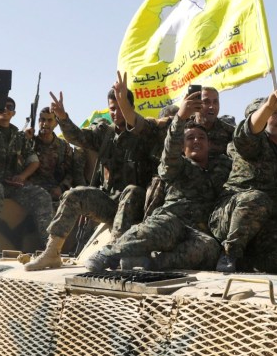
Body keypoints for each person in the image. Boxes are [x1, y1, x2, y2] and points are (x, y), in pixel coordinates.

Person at [24, 72, 164, 271]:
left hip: (138, 206)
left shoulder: (144, 132)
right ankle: (52, 252)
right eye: (112, 109)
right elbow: (78, 137)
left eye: (120, 107)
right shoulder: (105, 134)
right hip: (111, 204)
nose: (115, 113)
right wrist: (63, 118)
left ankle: (113, 253)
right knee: (75, 194)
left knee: (131, 190)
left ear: (129, 107)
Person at [84, 93, 232, 271]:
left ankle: (149, 263)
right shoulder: (176, 165)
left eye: (201, 138)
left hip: (197, 231)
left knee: (210, 248)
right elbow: (170, 152)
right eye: (190, 138)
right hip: (172, 221)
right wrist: (180, 118)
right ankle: (108, 254)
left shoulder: (222, 167)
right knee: (157, 229)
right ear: (183, 147)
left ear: (209, 145)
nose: (196, 141)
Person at [209, 75, 277, 274]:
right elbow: (248, 132)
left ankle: (245, 262)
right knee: (258, 198)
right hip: (230, 216)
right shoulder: (253, 144)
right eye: (274, 113)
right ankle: (229, 253)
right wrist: (267, 107)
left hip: (264, 222)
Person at [0, 82, 53, 251]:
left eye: (9, 107)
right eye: (1, 106)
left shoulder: (19, 137)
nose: (5, 109)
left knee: (41, 195)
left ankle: (48, 243)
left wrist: (22, 177)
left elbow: (34, 161)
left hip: (13, 186)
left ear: (13, 113)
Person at [28, 106, 83, 201]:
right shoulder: (29, 143)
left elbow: (71, 172)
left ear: (56, 123)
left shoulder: (64, 146)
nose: (45, 124)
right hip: (32, 192)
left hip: (56, 193)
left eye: (50, 120)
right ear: (38, 121)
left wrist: (61, 188)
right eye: (42, 120)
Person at [192, 86, 236, 158]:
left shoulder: (230, 132)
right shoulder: (183, 129)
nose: (212, 106)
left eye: (215, 102)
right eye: (206, 102)